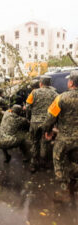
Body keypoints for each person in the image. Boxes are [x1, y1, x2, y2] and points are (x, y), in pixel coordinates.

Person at [42, 70, 78, 202]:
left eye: (69, 80)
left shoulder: (61, 98)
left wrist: (48, 131)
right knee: (74, 161)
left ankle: (64, 188)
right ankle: (72, 184)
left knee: (58, 160)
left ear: (71, 83)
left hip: (64, 139)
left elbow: (50, 118)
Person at [26, 75, 58, 173]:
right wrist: (54, 123)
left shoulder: (34, 92)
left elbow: (28, 106)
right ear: (49, 84)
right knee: (45, 142)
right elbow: (56, 111)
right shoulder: (55, 94)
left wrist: (29, 118)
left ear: (40, 83)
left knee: (35, 142)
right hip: (47, 123)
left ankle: (33, 164)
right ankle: (44, 162)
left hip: (35, 122)